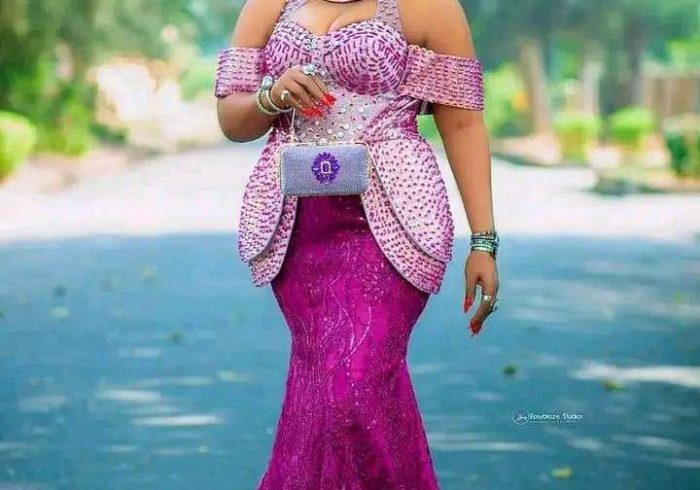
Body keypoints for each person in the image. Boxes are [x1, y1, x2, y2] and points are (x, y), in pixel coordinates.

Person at [215, 0, 499, 487]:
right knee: (323, 390)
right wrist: (272, 96)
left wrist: (483, 241)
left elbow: (463, 123)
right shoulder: (269, 4)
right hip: (300, 228)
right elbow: (230, 118)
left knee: (352, 382)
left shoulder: (428, 7)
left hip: (396, 223)